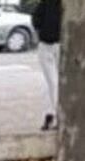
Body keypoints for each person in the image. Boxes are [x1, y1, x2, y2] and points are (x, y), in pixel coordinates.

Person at [32, 0, 62, 131]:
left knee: (52, 83)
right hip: (54, 44)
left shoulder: (46, 3)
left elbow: (36, 20)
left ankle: (52, 114)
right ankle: (54, 114)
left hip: (49, 44)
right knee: (54, 83)